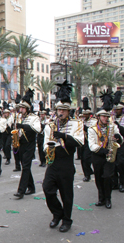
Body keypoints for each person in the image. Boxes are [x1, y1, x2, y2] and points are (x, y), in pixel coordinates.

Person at [42, 81, 84, 232]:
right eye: (59, 110)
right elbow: (46, 142)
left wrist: (64, 136)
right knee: (47, 188)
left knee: (67, 194)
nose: (60, 113)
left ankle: (67, 219)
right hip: (53, 162)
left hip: (66, 162)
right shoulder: (51, 124)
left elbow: (79, 142)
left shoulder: (76, 124)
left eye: (64, 110)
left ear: (68, 112)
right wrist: (48, 149)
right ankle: (57, 213)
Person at [89, 90, 123, 209]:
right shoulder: (92, 129)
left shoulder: (113, 126)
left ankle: (108, 198)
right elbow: (91, 144)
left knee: (108, 177)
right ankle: (101, 198)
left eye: (107, 116)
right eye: (103, 116)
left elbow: (120, 137)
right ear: (98, 117)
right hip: (98, 155)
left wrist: (118, 138)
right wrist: (101, 150)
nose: (106, 118)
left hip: (110, 155)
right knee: (98, 178)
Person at [13, 89, 41, 199]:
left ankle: (21, 190)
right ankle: (32, 187)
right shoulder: (19, 117)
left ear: (28, 109)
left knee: (25, 167)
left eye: (23, 108)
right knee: (25, 166)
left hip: (29, 144)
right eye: (21, 107)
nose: (21, 109)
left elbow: (37, 129)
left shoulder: (34, 118)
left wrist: (23, 126)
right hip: (21, 143)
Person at [80, 97, 97, 182]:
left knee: (86, 158)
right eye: (84, 114)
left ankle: (89, 172)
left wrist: (84, 127)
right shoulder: (81, 120)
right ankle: (87, 174)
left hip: (89, 141)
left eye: (86, 114)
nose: (85, 116)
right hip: (82, 141)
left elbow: (92, 130)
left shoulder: (94, 121)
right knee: (82, 159)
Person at [113, 91, 124, 192]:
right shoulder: (113, 117)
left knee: (121, 164)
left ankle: (122, 183)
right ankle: (115, 183)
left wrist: (118, 126)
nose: (117, 111)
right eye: (116, 109)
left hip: (122, 144)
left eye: (119, 110)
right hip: (113, 144)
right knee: (113, 164)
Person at [37, 102, 47, 167]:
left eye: (43, 114)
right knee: (39, 149)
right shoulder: (39, 120)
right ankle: (41, 161)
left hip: (44, 135)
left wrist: (43, 125)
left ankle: (44, 161)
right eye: (41, 114)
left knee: (43, 149)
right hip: (39, 135)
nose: (42, 116)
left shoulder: (47, 120)